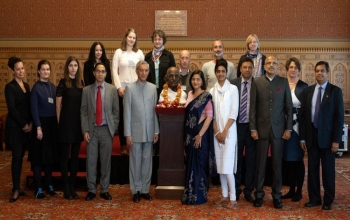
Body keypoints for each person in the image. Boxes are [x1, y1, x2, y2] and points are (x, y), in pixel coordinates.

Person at [300, 61, 344, 210]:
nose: (319, 73)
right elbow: (304, 116)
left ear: (327, 72)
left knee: (328, 171)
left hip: (328, 139)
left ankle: (328, 200)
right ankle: (314, 198)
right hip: (311, 137)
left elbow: (339, 118)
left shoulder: (335, 91)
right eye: (317, 71)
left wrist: (336, 140)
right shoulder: (308, 91)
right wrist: (303, 137)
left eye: (322, 71)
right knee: (312, 171)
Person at [250, 55, 293, 209]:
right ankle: (259, 195)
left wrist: (288, 128)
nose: (271, 65)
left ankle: (276, 196)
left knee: (277, 165)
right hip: (260, 130)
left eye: (274, 63)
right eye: (268, 63)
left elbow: (289, 107)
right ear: (264, 65)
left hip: (278, 130)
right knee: (260, 164)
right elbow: (253, 108)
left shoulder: (283, 82)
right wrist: (253, 128)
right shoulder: (257, 82)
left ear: (277, 65)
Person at [81, 62, 119, 201]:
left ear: (106, 73)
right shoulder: (86, 90)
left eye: (103, 71)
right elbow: (83, 112)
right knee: (90, 161)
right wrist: (85, 130)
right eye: (98, 71)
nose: (100, 74)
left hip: (106, 130)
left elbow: (116, 111)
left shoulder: (112, 90)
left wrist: (113, 128)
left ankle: (104, 189)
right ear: (94, 73)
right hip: (91, 130)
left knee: (105, 161)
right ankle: (91, 189)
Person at [124, 61, 159, 203]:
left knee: (147, 162)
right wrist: (128, 134)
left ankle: (145, 189)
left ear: (148, 72)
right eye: (141, 70)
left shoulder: (152, 88)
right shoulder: (130, 89)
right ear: (137, 72)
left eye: (146, 70)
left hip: (150, 131)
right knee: (135, 162)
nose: (144, 73)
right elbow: (127, 112)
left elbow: (155, 112)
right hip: (135, 132)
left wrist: (156, 130)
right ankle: (136, 190)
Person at [182, 70, 215, 205]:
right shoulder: (189, 94)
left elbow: (209, 117)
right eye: (193, 79)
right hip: (189, 135)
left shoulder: (206, 96)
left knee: (199, 164)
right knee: (190, 163)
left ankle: (199, 195)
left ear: (202, 81)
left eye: (198, 79)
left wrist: (200, 135)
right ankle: (189, 193)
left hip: (200, 135)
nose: (195, 82)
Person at [210, 59, 239, 209]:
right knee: (220, 166)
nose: (221, 74)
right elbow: (211, 115)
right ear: (215, 73)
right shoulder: (211, 91)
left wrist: (224, 131)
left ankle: (233, 198)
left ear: (227, 73)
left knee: (227, 166)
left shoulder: (233, 89)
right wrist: (217, 133)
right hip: (217, 134)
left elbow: (234, 112)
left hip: (229, 132)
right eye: (218, 71)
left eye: (223, 71)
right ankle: (224, 195)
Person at [112, 28, 144, 155]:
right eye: (130, 37)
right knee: (123, 118)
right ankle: (123, 145)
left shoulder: (139, 53)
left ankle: (135, 143)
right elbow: (114, 70)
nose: (132, 39)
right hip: (122, 90)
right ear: (126, 38)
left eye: (134, 38)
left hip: (136, 90)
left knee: (135, 117)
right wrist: (119, 87)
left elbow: (143, 71)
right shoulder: (119, 52)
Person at [56, 56, 84, 200]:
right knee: (64, 157)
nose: (73, 68)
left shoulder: (81, 83)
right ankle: (65, 186)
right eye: (71, 65)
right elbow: (58, 107)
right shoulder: (62, 83)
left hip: (77, 124)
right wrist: (59, 124)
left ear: (78, 68)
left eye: (75, 65)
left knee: (75, 158)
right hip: (65, 124)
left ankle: (72, 185)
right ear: (67, 67)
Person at [30, 60, 58, 199]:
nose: (46, 71)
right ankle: (38, 188)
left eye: (48, 69)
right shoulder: (35, 88)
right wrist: (39, 128)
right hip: (40, 126)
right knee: (38, 159)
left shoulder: (53, 87)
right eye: (43, 69)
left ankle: (49, 185)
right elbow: (34, 109)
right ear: (39, 71)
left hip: (52, 125)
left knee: (49, 158)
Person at [5, 57, 32, 203]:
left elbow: (28, 107)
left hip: (25, 128)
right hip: (16, 128)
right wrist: (23, 124)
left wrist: (30, 124)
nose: (21, 71)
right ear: (13, 71)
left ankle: (18, 187)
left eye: (22, 68)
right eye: (18, 69)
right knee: (16, 157)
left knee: (21, 157)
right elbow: (12, 109)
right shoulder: (10, 87)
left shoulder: (27, 86)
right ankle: (15, 189)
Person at [281, 57, 308, 202]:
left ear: (299, 69)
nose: (293, 70)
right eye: (290, 67)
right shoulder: (282, 84)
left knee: (297, 160)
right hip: (284, 127)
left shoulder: (304, 87)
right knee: (287, 160)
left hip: (298, 128)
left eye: (295, 67)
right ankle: (291, 189)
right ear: (287, 69)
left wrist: (304, 135)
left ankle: (299, 191)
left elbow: (306, 112)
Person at [231, 56, 256, 203]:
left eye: (250, 67)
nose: (247, 70)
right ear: (240, 69)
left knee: (251, 161)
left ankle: (248, 191)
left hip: (252, 128)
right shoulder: (233, 84)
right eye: (245, 67)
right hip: (237, 126)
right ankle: (236, 189)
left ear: (253, 69)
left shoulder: (258, 84)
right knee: (237, 160)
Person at [145, 29, 176, 97]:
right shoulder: (148, 56)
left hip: (166, 89)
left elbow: (174, 73)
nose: (157, 41)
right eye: (155, 39)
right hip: (150, 89)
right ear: (153, 40)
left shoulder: (169, 55)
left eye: (159, 39)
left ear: (163, 40)